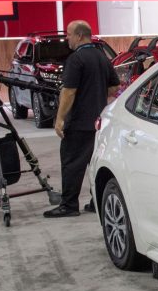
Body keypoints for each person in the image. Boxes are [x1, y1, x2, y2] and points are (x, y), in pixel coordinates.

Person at [44, 20, 119, 218]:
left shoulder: (76, 59)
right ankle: (96, 202)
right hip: (98, 122)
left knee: (72, 164)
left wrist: (60, 119)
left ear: (79, 36)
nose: (66, 38)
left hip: (78, 122)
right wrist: (96, 94)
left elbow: (69, 92)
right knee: (94, 164)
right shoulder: (101, 57)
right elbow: (115, 86)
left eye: (69, 34)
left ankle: (69, 205)